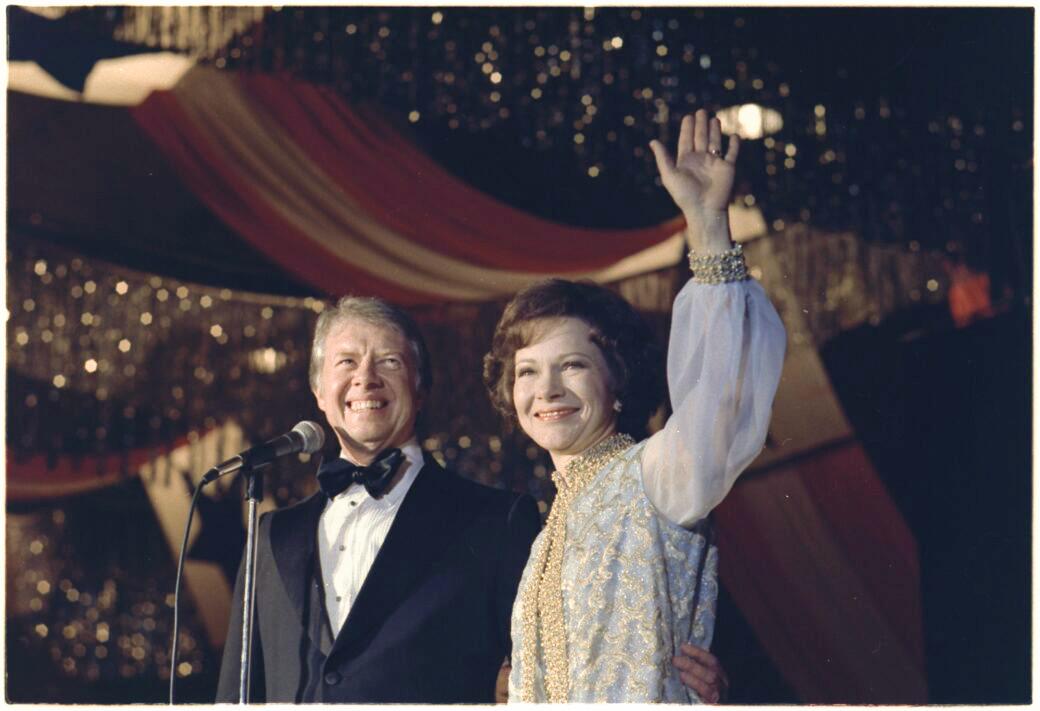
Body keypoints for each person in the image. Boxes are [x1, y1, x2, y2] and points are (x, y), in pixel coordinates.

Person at [483, 109, 787, 703]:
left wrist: (707, 227)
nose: (546, 390)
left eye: (572, 365)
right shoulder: (546, 533)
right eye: (527, 371)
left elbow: (719, 396)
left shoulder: (655, 476)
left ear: (617, 381)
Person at [215, 297, 542, 703]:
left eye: (389, 361)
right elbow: (235, 693)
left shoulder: (497, 522)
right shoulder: (271, 535)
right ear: (318, 390)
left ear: (420, 389)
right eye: (346, 362)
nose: (365, 378)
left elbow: (543, 678)